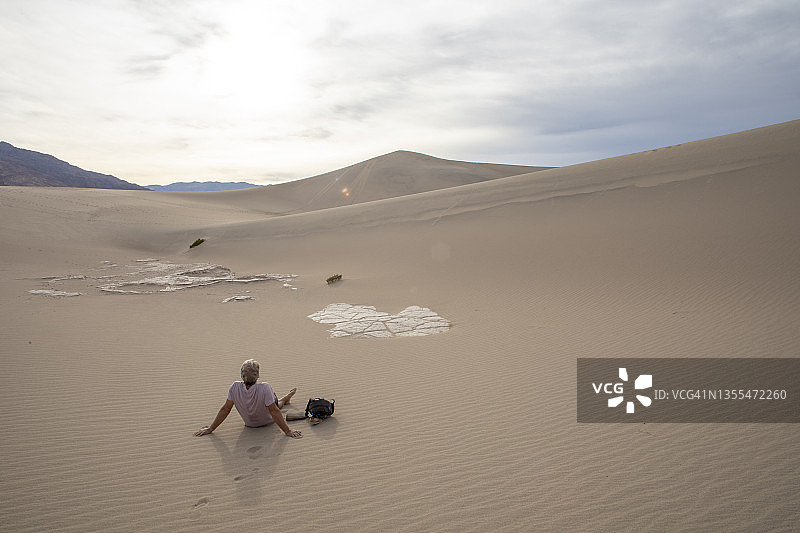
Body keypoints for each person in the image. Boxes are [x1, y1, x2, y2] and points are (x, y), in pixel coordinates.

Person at [194, 359, 302, 438]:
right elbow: (274, 411)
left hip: (250, 425)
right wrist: (288, 431)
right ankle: (286, 398)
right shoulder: (264, 387)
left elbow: (225, 409)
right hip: (268, 422)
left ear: (242, 375)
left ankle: (285, 398)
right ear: (258, 375)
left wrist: (211, 428)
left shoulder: (234, 387)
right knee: (275, 402)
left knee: (273, 402)